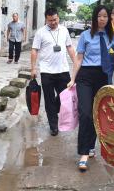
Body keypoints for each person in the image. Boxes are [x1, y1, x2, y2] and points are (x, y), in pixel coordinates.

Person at [67, 5, 114, 171]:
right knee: (85, 113)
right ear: (95, 18)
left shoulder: (112, 36)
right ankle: (83, 153)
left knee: (98, 114)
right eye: (99, 16)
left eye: (105, 16)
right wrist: (72, 79)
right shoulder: (85, 35)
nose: (102, 19)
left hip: (103, 76)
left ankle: (91, 146)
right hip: (86, 76)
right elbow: (79, 58)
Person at [30, 8, 76, 136]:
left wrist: (77, 64)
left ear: (58, 18)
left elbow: (70, 47)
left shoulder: (64, 30)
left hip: (63, 70)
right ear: (46, 20)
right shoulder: (41, 32)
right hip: (47, 72)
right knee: (49, 99)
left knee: (65, 98)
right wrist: (33, 68)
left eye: (55, 19)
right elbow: (34, 50)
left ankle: (53, 110)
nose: (53, 22)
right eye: (50, 20)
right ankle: (54, 126)